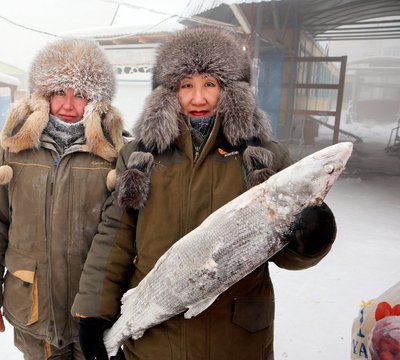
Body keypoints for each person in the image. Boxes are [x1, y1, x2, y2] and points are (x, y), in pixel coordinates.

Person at [71, 27, 337, 360]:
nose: (198, 99)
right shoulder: (141, 157)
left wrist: (310, 239)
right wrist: (94, 314)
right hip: (156, 338)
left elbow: (283, 253)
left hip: (236, 340)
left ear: (231, 90)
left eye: (209, 84)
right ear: (169, 92)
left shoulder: (265, 157)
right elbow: (116, 235)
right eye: (186, 86)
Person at [0, 37, 126, 360]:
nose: (68, 105)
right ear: (43, 95)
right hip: (33, 315)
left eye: (79, 95)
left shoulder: (117, 154)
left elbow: (131, 238)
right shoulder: (12, 149)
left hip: (95, 318)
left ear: (96, 101)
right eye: (59, 93)